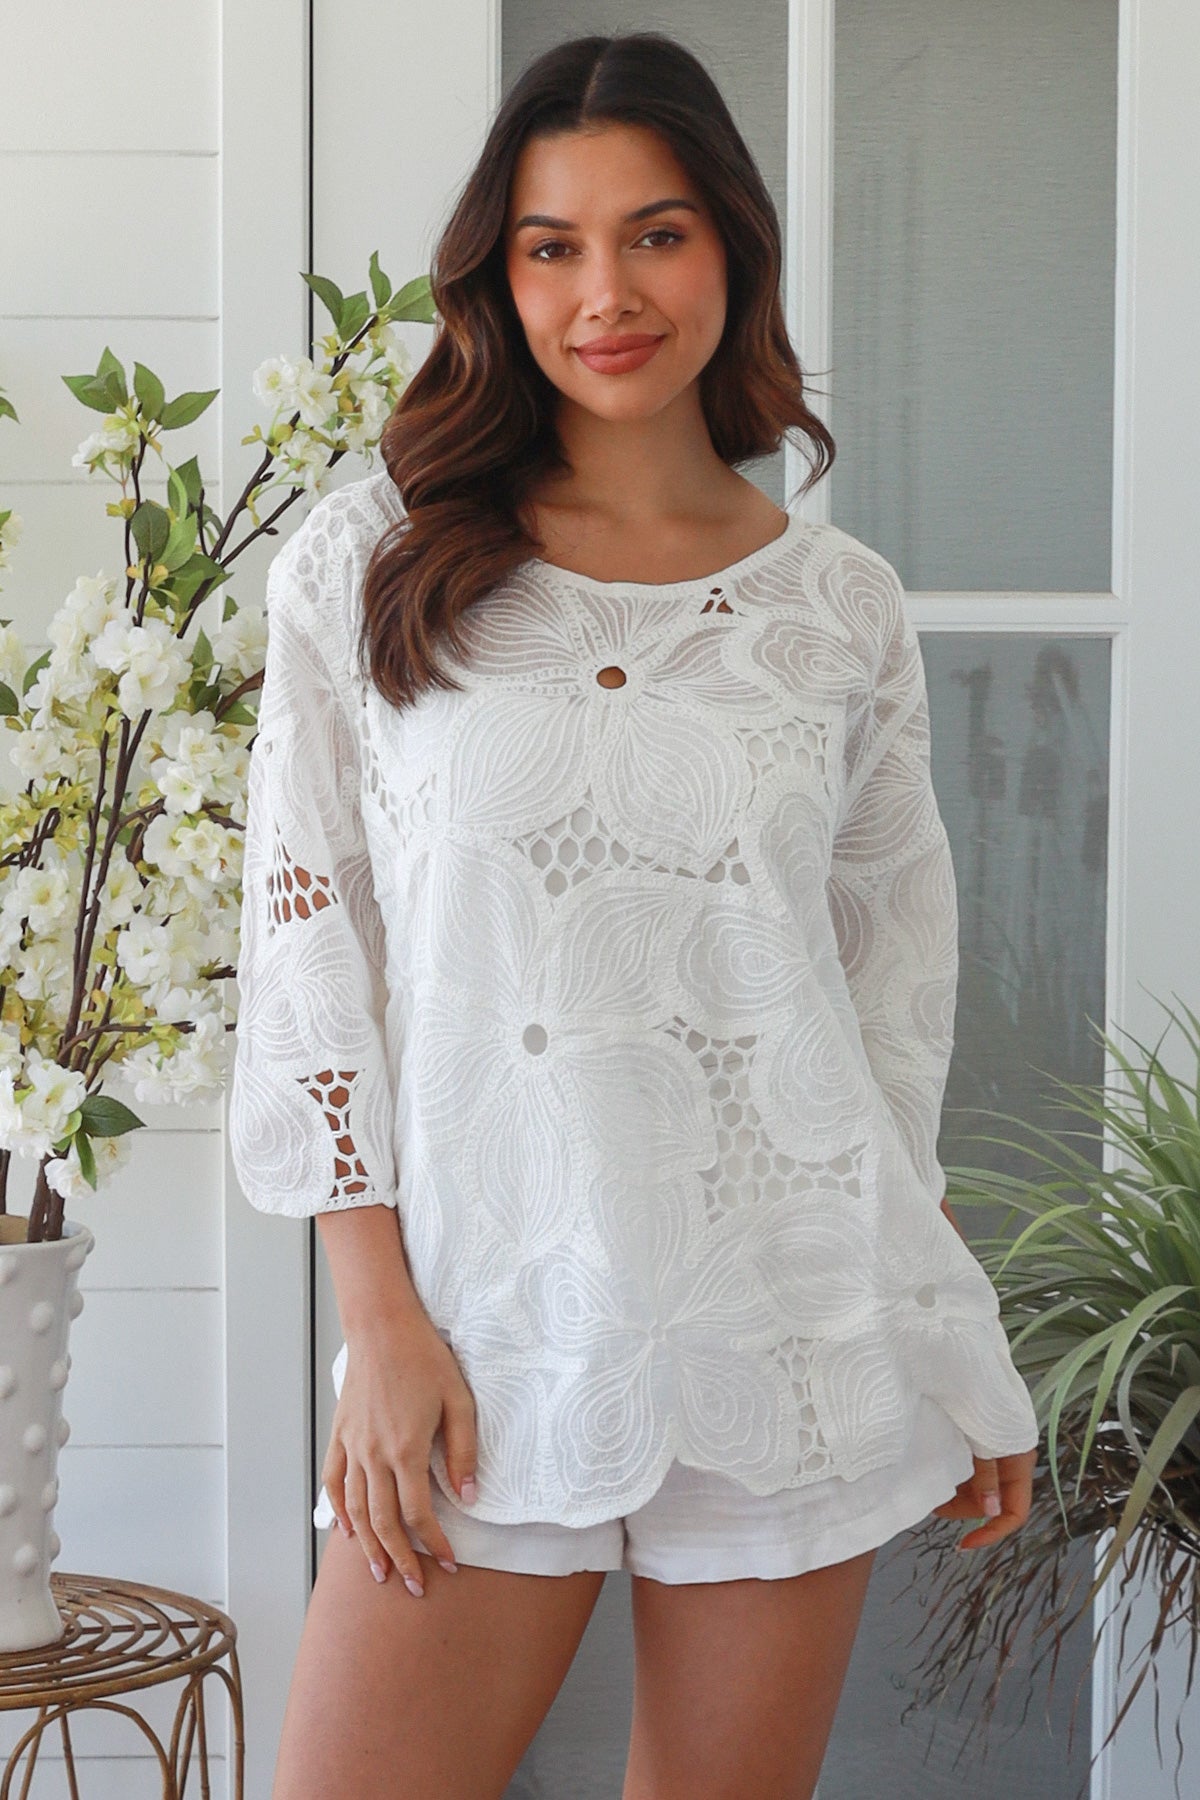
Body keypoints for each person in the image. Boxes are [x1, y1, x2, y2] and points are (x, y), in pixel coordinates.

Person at [228, 29, 1040, 1800]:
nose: (606, 293)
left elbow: (883, 1005)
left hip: (790, 1327)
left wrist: (940, 1323)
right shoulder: (371, 561)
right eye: (553, 246)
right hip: (482, 1334)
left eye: (655, 235)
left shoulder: (840, 608)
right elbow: (309, 951)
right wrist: (379, 1323)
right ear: (499, 277)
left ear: (732, 247)